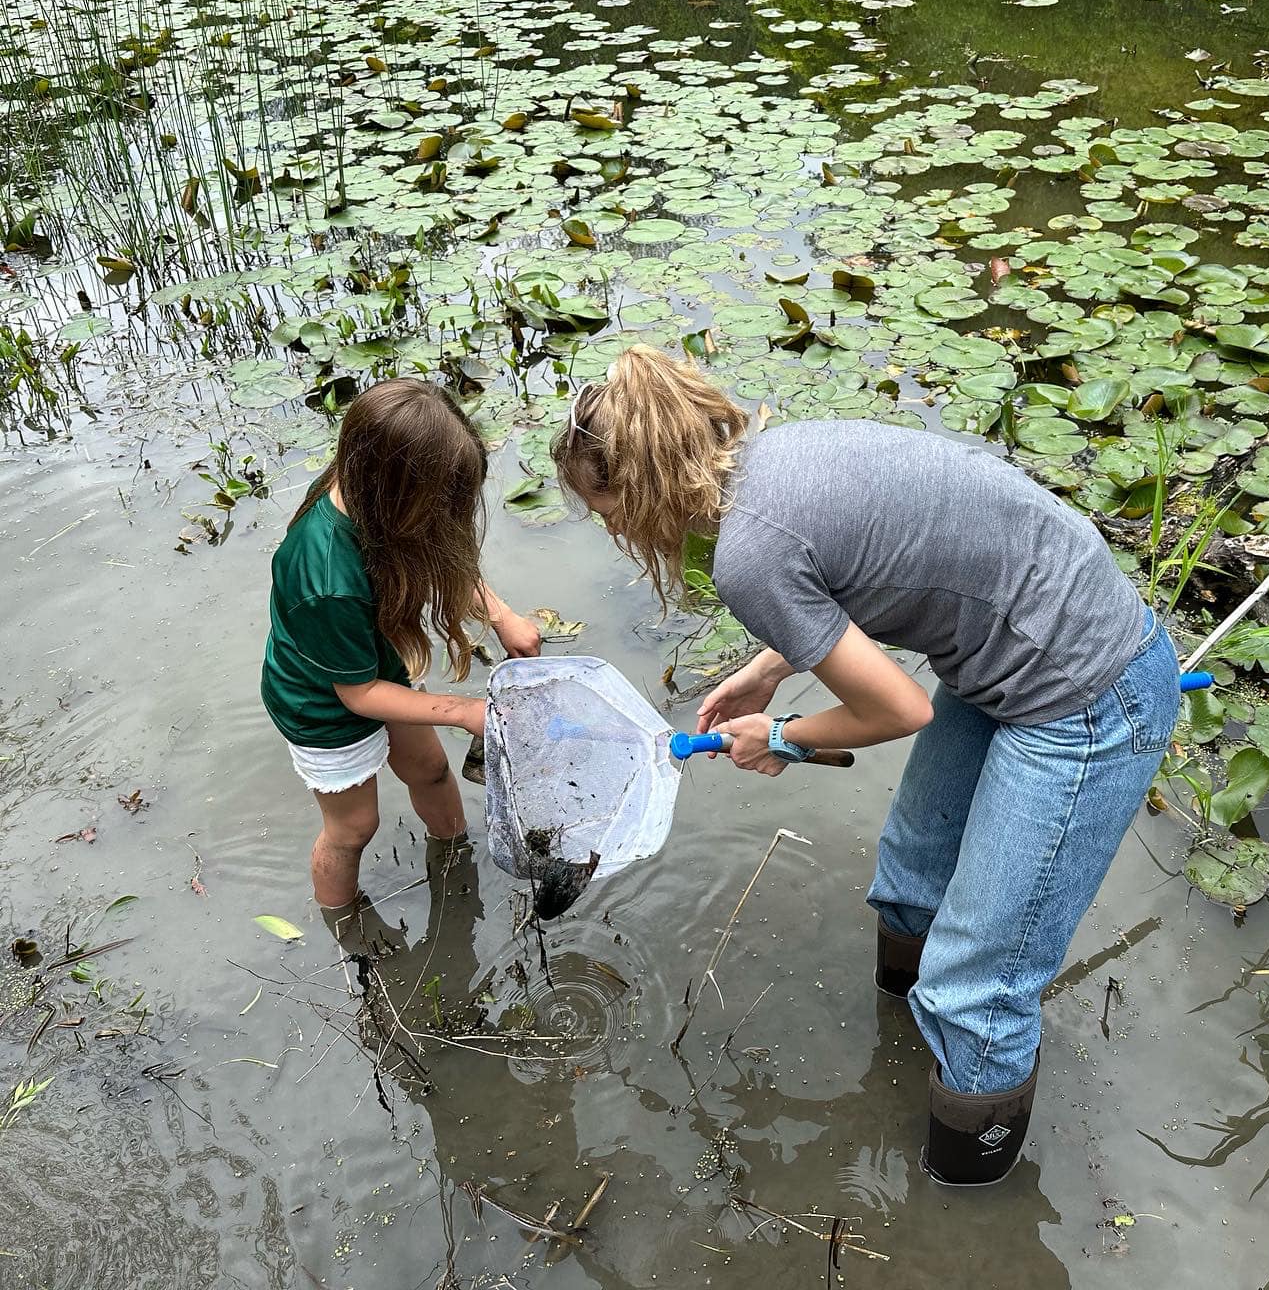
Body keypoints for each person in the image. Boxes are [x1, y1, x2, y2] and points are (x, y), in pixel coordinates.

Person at [553, 345, 1180, 1188]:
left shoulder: (745, 556)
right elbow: (873, 565)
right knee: (913, 878)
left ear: (642, 483)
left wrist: (778, 738)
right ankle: (906, 1054)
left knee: (977, 991)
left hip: (1087, 692)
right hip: (1015, 647)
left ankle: (962, 1205)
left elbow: (899, 710)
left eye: (604, 508)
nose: (612, 529)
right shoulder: (770, 461)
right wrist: (773, 666)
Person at [261, 380, 540, 909]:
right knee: (354, 827)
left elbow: (437, 553)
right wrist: (462, 710)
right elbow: (358, 695)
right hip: (322, 699)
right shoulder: (328, 579)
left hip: (374, 662)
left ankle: (457, 862)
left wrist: (501, 615)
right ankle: (344, 927)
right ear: (393, 489)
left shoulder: (368, 491)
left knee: (430, 769)